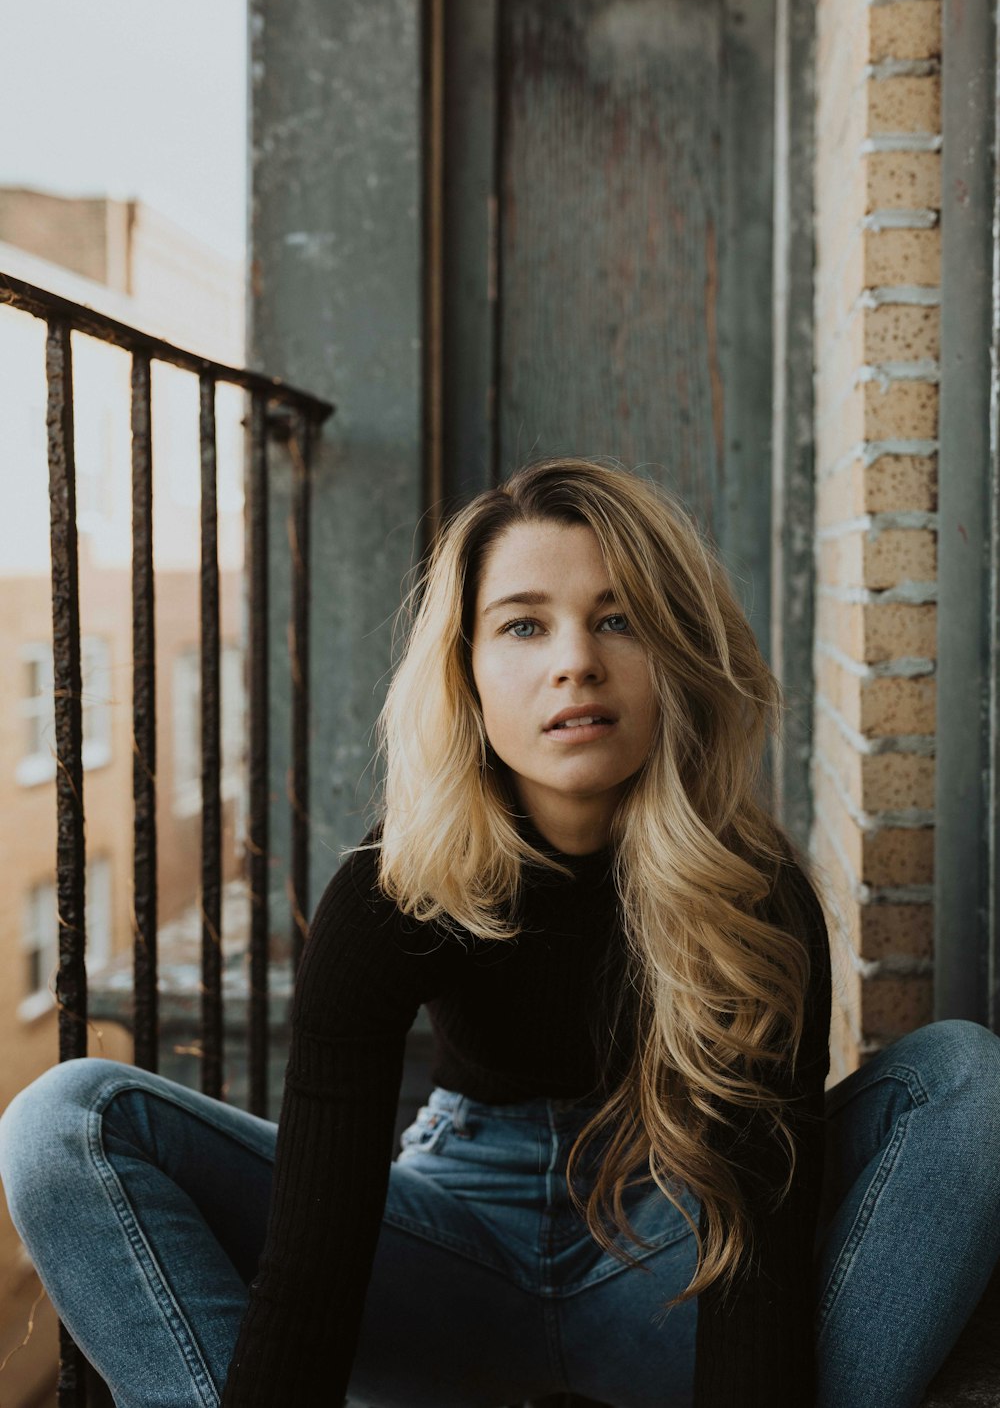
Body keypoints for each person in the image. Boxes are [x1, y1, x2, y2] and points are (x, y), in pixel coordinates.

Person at [2, 456, 1000, 1408]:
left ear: (675, 658)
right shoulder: (390, 891)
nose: (575, 662)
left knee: (964, 1076)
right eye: (523, 627)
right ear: (466, 674)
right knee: (63, 1118)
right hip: (449, 1259)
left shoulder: (751, 893)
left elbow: (758, 1260)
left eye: (618, 620)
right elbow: (314, 1263)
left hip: (667, 1263)